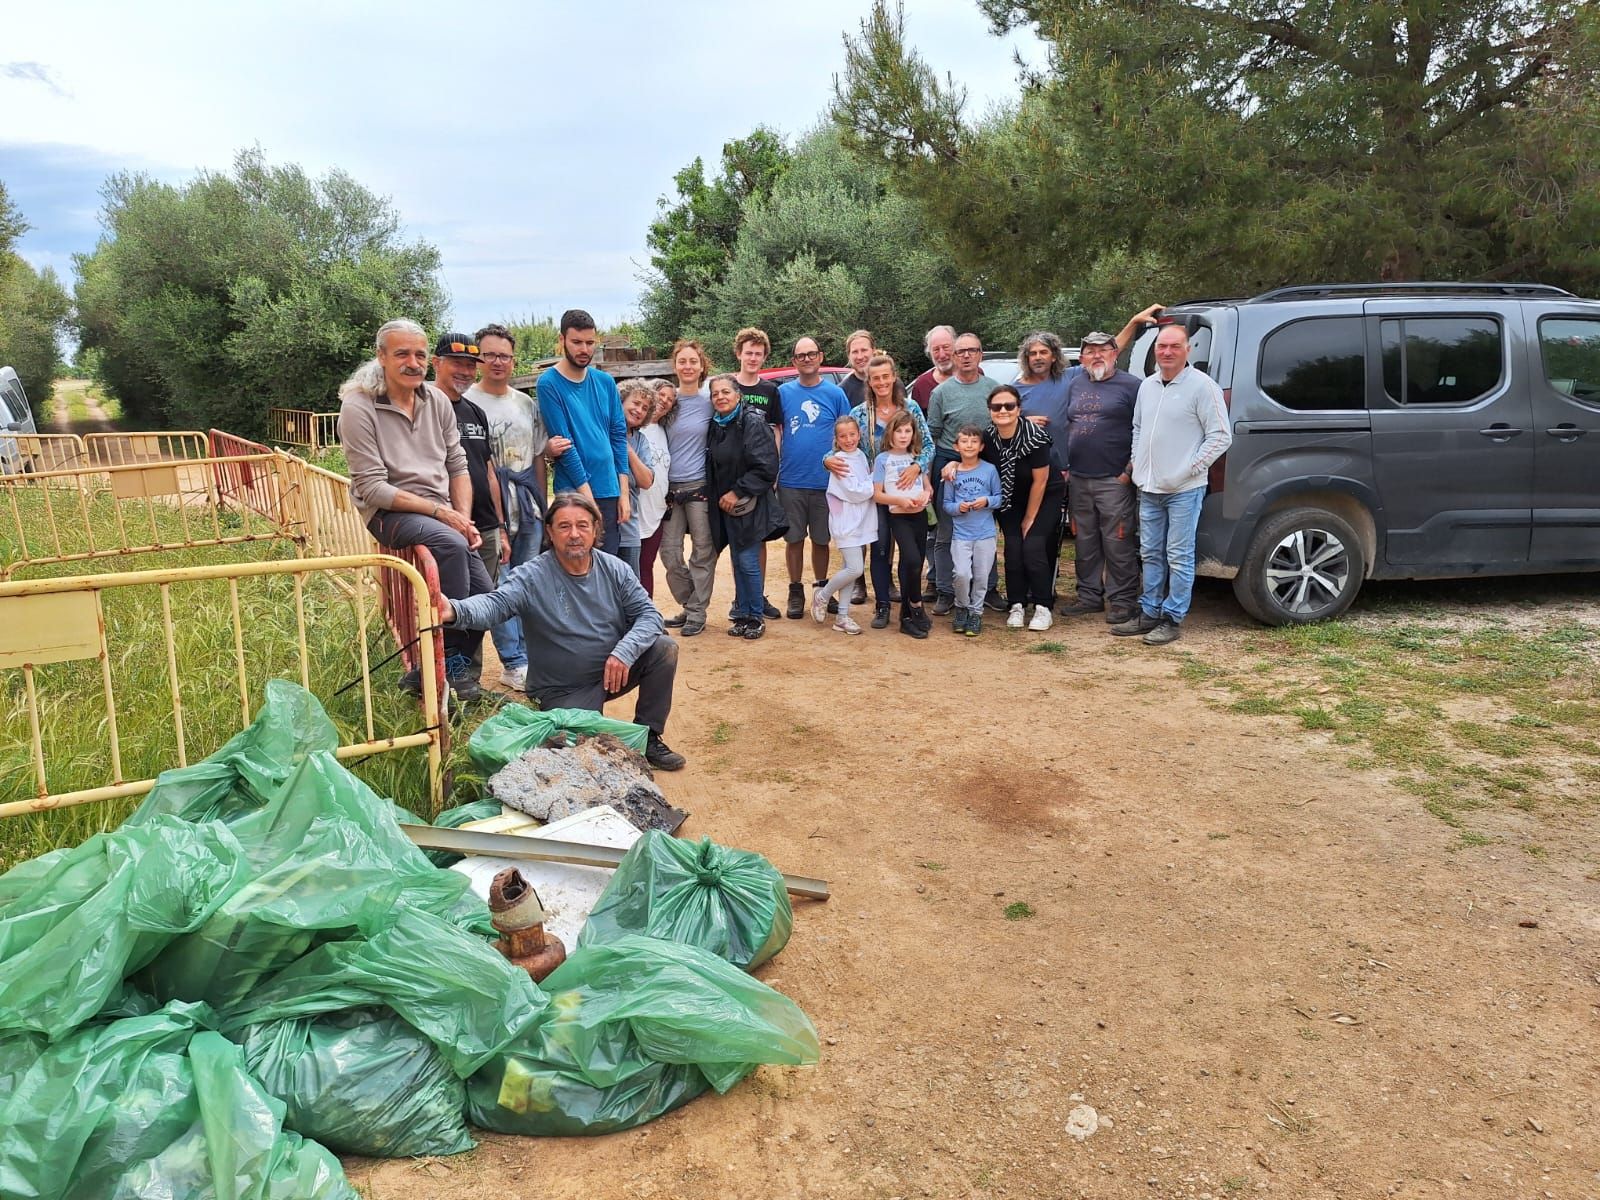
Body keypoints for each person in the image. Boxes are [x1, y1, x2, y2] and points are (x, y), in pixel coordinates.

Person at [438, 492, 686, 771]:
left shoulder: (615, 568)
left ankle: (649, 736)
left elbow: (649, 615)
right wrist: (453, 610)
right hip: (563, 689)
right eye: (564, 526)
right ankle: (583, 730)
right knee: (586, 761)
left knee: (664, 648)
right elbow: (496, 604)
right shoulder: (531, 575)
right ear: (550, 533)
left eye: (582, 525)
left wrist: (624, 653)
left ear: (595, 529)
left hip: (611, 672)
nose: (574, 534)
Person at [338, 318, 491, 700]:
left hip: (438, 511)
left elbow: (458, 466)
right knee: (451, 546)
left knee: (488, 597)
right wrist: (446, 517)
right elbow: (372, 487)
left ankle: (434, 672)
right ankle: (442, 676)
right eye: (402, 353)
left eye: (419, 354)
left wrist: (464, 517)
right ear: (381, 356)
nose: (413, 362)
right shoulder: (358, 406)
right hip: (388, 512)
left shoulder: (436, 400)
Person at [468, 322, 571, 694]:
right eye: (491, 354)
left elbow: (537, 455)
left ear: (514, 361)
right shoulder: (466, 403)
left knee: (528, 581)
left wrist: (543, 505)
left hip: (526, 503)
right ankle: (512, 660)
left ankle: (531, 656)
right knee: (499, 583)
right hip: (487, 508)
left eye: (505, 356)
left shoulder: (525, 402)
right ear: (480, 358)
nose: (498, 361)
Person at [1115, 323, 1232, 646]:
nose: (1166, 352)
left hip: (1183, 489)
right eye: (1162, 347)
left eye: (1174, 347)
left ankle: (1172, 617)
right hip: (1149, 488)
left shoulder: (1202, 387)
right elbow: (1139, 428)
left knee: (1178, 555)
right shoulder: (1148, 386)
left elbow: (1221, 435)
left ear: (1187, 350)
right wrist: (1138, 462)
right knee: (1150, 553)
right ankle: (1149, 612)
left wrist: (1189, 468)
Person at [945, 384, 1066, 631]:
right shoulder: (989, 437)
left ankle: (1043, 606)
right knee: (1013, 548)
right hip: (1010, 497)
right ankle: (1017, 604)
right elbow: (972, 455)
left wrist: (1030, 518)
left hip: (1043, 495)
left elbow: (1040, 480)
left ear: (1018, 409)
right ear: (989, 410)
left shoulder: (1035, 437)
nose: (1003, 410)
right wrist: (953, 465)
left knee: (1032, 545)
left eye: (1009, 406)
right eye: (996, 406)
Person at [432, 334, 507, 679]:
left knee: (482, 606)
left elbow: (488, 470)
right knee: (449, 606)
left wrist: (501, 526)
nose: (464, 371)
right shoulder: (427, 406)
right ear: (436, 363)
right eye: (456, 363)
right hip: (446, 529)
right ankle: (438, 680)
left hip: (485, 527)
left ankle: (466, 679)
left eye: (469, 366)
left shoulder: (474, 410)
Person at [1060, 331, 1141, 623]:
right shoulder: (1074, 382)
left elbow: (1144, 431)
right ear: (1081, 358)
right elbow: (1067, 423)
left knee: (1118, 542)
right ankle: (1089, 596)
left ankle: (1123, 601)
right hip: (1080, 477)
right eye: (1090, 351)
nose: (1097, 355)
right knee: (1084, 541)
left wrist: (1128, 472)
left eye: (1103, 350)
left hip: (1114, 479)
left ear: (1115, 353)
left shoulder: (1132, 386)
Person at [850, 352, 934, 627]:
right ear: (869, 382)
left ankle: (910, 603)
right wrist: (830, 459)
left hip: (908, 492)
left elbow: (929, 445)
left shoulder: (910, 409)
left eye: (886, 376)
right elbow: (849, 448)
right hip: (878, 494)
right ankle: (883, 605)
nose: (882, 382)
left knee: (910, 551)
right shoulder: (860, 414)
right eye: (876, 379)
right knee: (881, 548)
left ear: (894, 377)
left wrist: (917, 467)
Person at [537, 309, 631, 556]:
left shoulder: (605, 381)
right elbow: (565, 445)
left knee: (607, 565)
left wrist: (623, 493)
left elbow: (618, 436)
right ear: (562, 341)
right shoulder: (549, 383)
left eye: (590, 343)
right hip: (573, 493)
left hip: (609, 489)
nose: (584, 349)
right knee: (575, 563)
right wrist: (587, 499)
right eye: (576, 342)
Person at [926, 332, 1001, 616]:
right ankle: (946, 590)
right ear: (954, 358)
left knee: (985, 529)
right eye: (961, 352)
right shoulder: (940, 393)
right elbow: (931, 436)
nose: (966, 356)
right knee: (947, 531)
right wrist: (933, 474)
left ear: (981, 354)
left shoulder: (993, 389)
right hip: (948, 464)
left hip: (984, 463)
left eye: (972, 351)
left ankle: (989, 588)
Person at [778, 336, 853, 619]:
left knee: (822, 540)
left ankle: (822, 590)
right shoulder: (784, 393)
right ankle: (795, 590)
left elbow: (847, 435)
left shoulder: (835, 394)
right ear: (794, 361)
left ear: (820, 357)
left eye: (811, 354)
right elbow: (776, 432)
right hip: (791, 480)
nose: (807, 359)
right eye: (801, 355)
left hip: (826, 482)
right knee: (794, 539)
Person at [705, 373, 781, 640]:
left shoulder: (752, 421)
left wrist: (737, 492)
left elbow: (767, 466)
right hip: (726, 506)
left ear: (738, 395)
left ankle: (755, 616)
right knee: (737, 560)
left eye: (726, 392)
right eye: (715, 394)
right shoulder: (717, 424)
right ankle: (742, 613)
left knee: (748, 561)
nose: (721, 397)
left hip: (748, 503)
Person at [659, 339, 718, 636]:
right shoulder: (668, 400)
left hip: (700, 486)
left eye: (693, 361)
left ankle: (697, 612)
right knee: (669, 553)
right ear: (675, 366)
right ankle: (690, 601)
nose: (688, 366)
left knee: (702, 550)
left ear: (701, 365)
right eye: (682, 361)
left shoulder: (710, 400)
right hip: (669, 488)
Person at [730, 328, 783, 621]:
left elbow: (777, 431)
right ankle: (741, 599)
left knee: (758, 537)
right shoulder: (725, 386)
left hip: (761, 475)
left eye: (758, 354)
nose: (753, 358)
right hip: (732, 477)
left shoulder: (770, 391)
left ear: (764, 357)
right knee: (737, 541)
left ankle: (757, 596)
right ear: (739, 353)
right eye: (748, 352)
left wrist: (773, 470)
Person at [871, 408, 934, 637]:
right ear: (891, 433)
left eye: (908, 431)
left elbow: (927, 487)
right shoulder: (883, 460)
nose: (904, 435)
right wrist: (899, 499)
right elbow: (877, 494)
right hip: (899, 516)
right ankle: (915, 605)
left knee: (913, 565)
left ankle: (907, 615)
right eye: (899, 431)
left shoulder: (916, 457)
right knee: (913, 560)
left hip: (919, 515)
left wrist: (926, 496)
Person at [812, 415, 877, 635]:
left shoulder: (861, 456)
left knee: (848, 569)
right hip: (845, 523)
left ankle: (842, 616)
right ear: (836, 439)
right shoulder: (838, 460)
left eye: (852, 434)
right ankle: (823, 595)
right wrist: (875, 482)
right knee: (855, 568)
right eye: (843, 436)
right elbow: (856, 492)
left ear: (859, 435)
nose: (848, 439)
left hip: (861, 522)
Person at [941, 424, 1002, 636]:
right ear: (956, 446)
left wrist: (986, 500)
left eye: (974, 441)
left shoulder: (989, 470)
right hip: (961, 535)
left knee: (982, 575)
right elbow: (947, 504)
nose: (969, 445)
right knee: (961, 574)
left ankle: (976, 613)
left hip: (985, 534)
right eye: (964, 441)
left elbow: (999, 498)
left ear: (981, 446)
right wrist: (959, 507)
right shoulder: (952, 473)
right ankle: (961, 607)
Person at [633, 379, 672, 599]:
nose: (664, 400)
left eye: (670, 398)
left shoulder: (664, 430)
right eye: (661, 394)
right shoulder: (635, 427)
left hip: (656, 512)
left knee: (647, 566)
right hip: (634, 509)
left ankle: (646, 618)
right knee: (628, 567)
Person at [617, 380, 657, 577]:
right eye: (635, 403)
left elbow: (646, 481)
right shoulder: (602, 430)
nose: (639, 410)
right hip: (601, 522)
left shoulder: (640, 440)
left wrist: (627, 449)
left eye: (645, 408)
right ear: (622, 401)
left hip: (629, 527)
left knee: (630, 584)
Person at [909, 324, 956, 414]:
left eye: (946, 347)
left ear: (956, 346)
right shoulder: (921, 385)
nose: (942, 355)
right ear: (929, 353)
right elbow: (917, 424)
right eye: (936, 350)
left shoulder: (973, 375)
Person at [840, 329, 874, 407]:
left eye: (864, 350)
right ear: (849, 356)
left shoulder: (891, 384)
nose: (860, 357)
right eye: (855, 352)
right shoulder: (842, 392)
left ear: (873, 351)